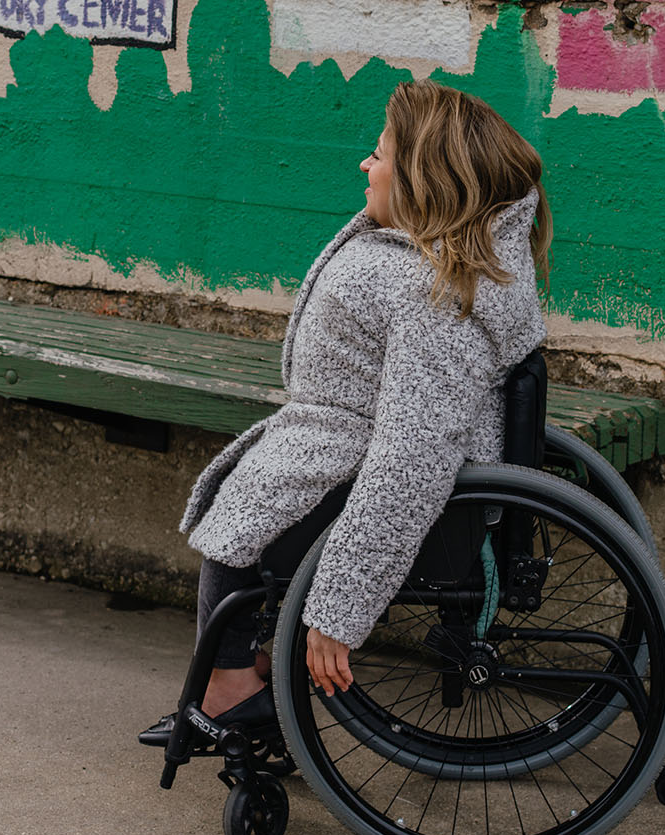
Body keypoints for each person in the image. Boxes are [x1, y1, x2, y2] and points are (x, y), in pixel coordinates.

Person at [139, 77, 553, 745]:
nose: (365, 164)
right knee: (240, 517)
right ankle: (240, 685)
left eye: (379, 153)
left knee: (237, 538)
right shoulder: (434, 274)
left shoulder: (437, 300)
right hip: (337, 453)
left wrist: (338, 610)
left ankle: (232, 697)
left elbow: (412, 456)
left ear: (425, 181)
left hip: (375, 482)